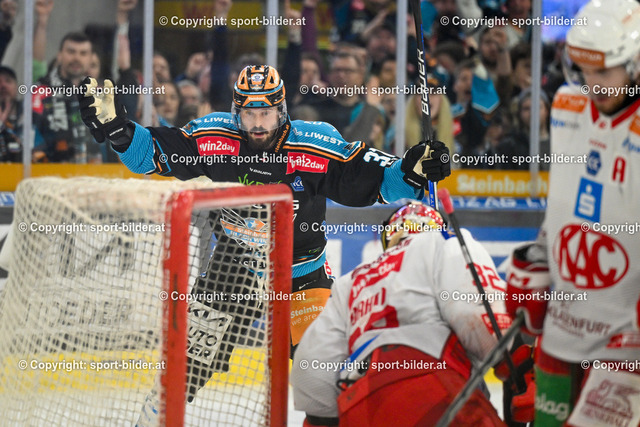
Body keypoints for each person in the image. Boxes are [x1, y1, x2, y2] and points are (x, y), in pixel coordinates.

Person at [77, 64, 451, 424]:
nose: (258, 124)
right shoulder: (214, 138)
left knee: (325, 372)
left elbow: (374, 178)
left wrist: (413, 170)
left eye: (267, 113)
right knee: (184, 366)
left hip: (301, 271)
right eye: (249, 114)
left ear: (281, 111)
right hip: (233, 268)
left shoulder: (314, 144)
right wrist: (118, 131)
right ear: (236, 112)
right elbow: (152, 155)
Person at [505, 1, 640, 426]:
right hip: (564, 328)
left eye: (604, 71)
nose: (591, 84)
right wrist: (539, 260)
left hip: (627, 341)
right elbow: (562, 205)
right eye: (583, 69)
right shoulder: (567, 105)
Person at [291, 201, 510, 426]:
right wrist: (514, 366)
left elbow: (312, 373)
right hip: (436, 388)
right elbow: (482, 318)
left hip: (364, 401)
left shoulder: (351, 281)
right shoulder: (446, 242)